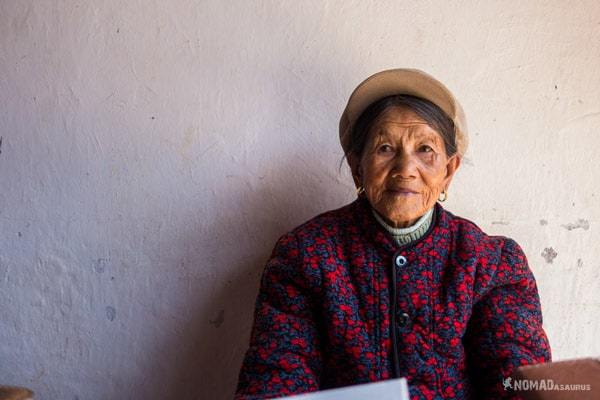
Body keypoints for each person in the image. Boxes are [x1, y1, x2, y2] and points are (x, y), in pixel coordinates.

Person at [234, 69, 551, 399]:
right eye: (385, 148)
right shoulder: (305, 256)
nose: (405, 169)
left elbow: (520, 378)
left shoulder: (490, 263)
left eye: (425, 149)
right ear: (358, 166)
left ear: (449, 170)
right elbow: (275, 378)